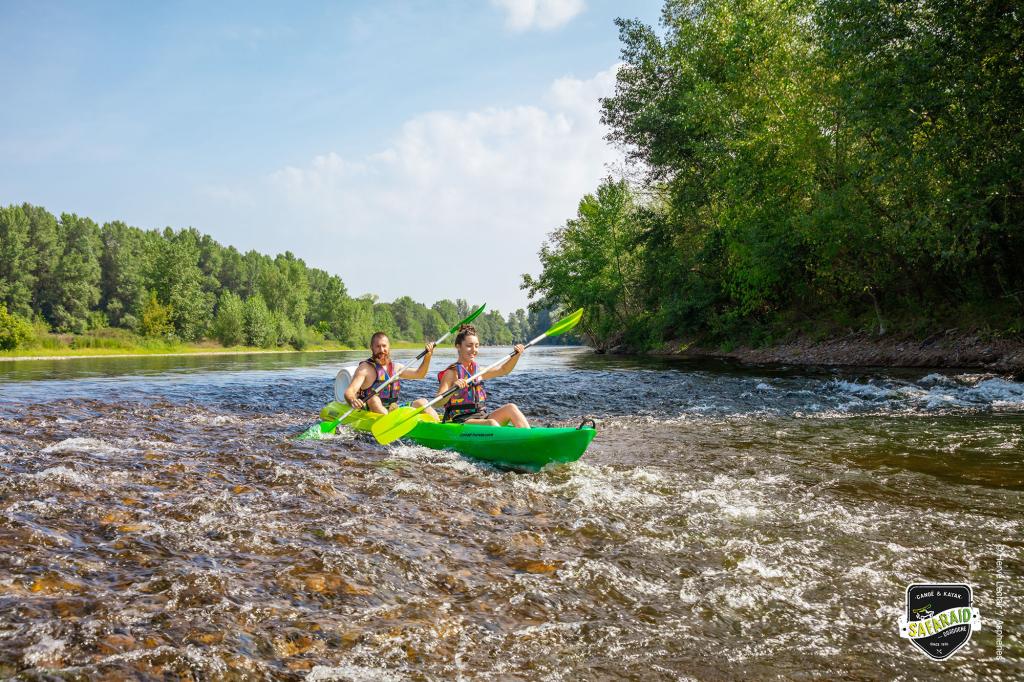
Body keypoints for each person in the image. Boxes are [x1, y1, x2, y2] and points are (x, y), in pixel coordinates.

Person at [436, 324, 529, 427]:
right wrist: (453, 388)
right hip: (462, 420)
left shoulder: (478, 371)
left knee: (511, 408)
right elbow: (437, 403)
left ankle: (531, 439)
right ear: (458, 346)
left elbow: (504, 369)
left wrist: (516, 355)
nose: (474, 350)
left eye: (476, 346)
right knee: (492, 423)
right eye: (469, 346)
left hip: (482, 416)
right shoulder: (451, 373)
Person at [343, 332, 438, 419]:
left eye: (384, 346)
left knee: (423, 402)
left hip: (392, 410)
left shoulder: (396, 368)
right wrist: (352, 400)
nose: (381, 350)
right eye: (378, 346)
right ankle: (391, 421)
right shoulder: (365, 368)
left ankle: (439, 427)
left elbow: (420, 374)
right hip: (371, 410)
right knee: (374, 399)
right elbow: (349, 392)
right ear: (371, 347)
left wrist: (427, 357)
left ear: (389, 347)